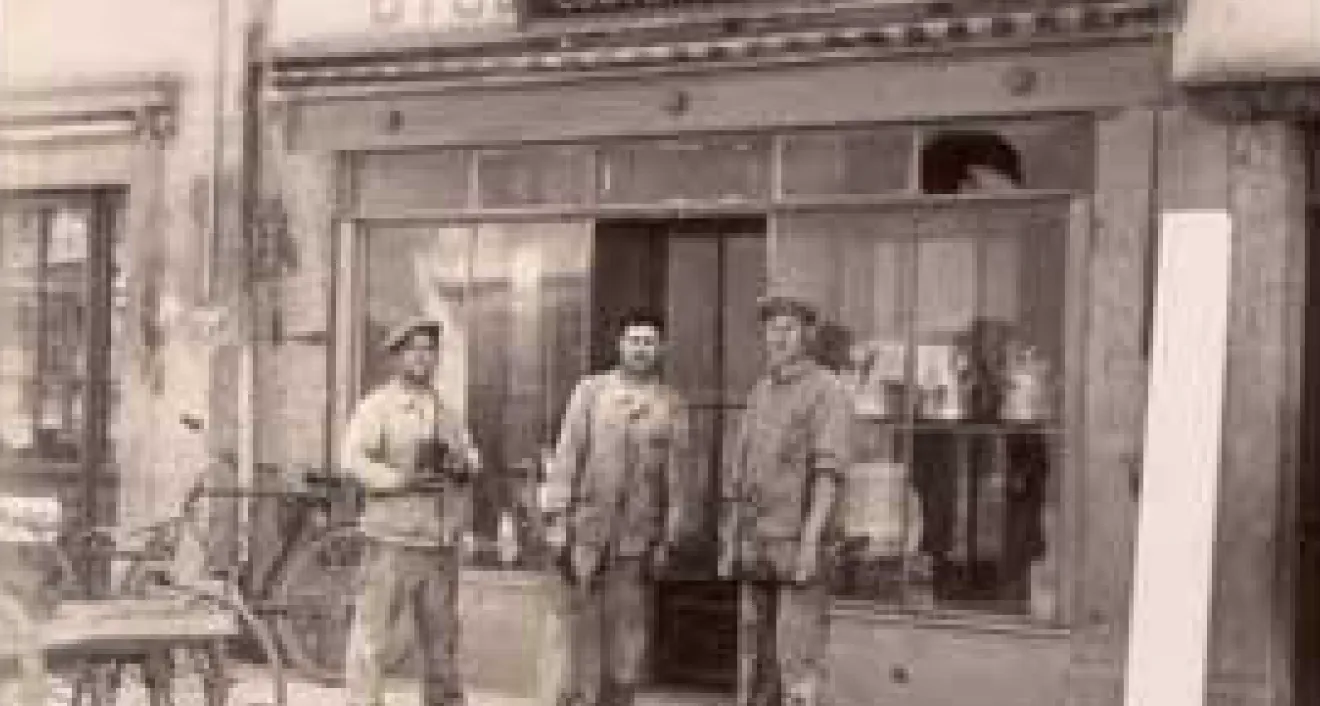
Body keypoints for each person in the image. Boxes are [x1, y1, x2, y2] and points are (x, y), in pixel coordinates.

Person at [543, 310, 691, 706]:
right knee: (575, 638)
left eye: (649, 341)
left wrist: (667, 539)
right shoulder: (590, 392)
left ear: (661, 348)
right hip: (585, 537)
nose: (641, 349)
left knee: (626, 640)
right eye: (634, 340)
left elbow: (677, 480)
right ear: (620, 345)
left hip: (635, 544)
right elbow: (566, 458)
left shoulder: (671, 405)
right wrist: (557, 522)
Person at [720, 295, 855, 706]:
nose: (778, 337)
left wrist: (812, 543)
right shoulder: (760, 392)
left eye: (789, 329)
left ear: (807, 335)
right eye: (772, 328)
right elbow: (740, 476)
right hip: (757, 546)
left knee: (796, 661)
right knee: (754, 663)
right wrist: (731, 540)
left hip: (799, 549)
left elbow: (828, 473)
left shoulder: (827, 391)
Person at [341, 316, 481, 706]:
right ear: (397, 356)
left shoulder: (446, 410)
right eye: (414, 349)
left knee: (443, 648)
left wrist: (463, 464)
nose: (423, 357)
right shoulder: (377, 407)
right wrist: (400, 480)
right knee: (371, 644)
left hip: (439, 545)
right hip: (390, 541)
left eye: (430, 350)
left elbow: (471, 455)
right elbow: (352, 460)